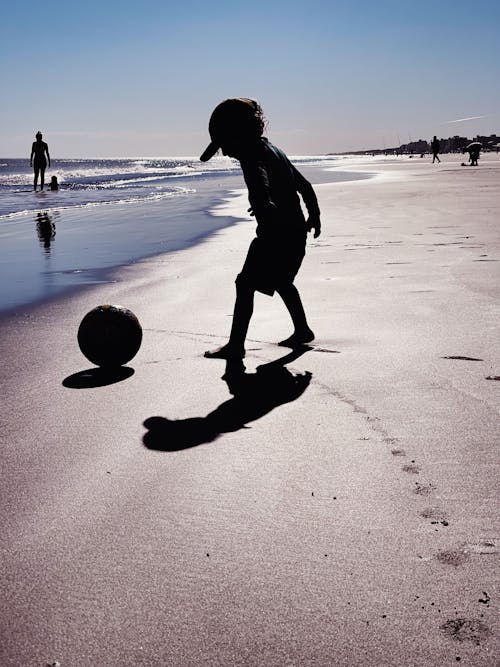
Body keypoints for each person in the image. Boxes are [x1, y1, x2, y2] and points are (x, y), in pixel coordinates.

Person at [199, 98, 321, 360]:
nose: (225, 153)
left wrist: (264, 203)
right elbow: (305, 185)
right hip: (295, 230)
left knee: (244, 284)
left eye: (224, 145)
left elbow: (259, 179)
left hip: (275, 233)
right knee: (283, 282)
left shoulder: (251, 154)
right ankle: (302, 330)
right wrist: (315, 215)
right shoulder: (275, 151)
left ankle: (235, 345)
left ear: (238, 134)